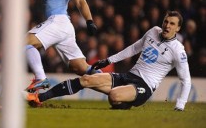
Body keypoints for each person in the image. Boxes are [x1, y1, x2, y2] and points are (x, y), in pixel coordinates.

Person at [25, 11, 192, 111]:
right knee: (86, 79)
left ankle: (124, 101)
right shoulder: (154, 31)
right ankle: (40, 98)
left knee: (114, 95)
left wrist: (180, 104)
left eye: (172, 24)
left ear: (178, 28)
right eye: (166, 21)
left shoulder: (178, 50)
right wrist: (108, 60)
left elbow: (186, 79)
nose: (167, 26)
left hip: (144, 87)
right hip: (128, 76)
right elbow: (134, 48)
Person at [25, 0, 99, 92]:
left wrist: (89, 21)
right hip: (62, 28)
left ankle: (40, 79)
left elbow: (80, 1)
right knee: (81, 68)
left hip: (59, 21)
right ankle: (113, 83)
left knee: (25, 42)